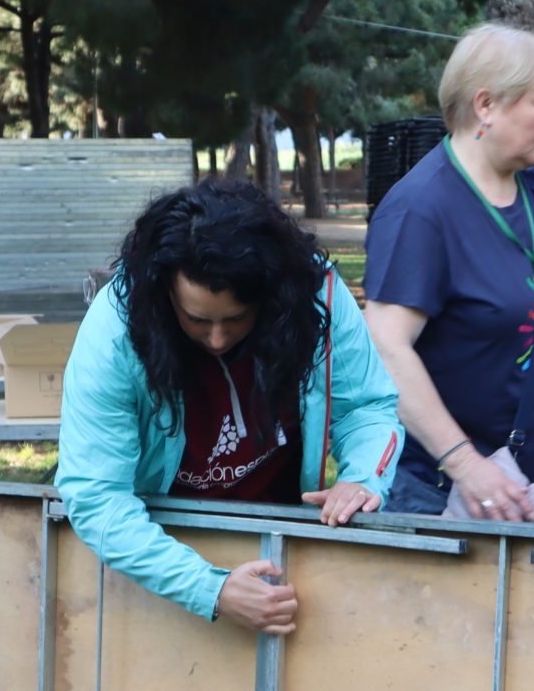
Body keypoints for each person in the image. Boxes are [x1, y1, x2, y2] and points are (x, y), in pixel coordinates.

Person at [57, 180, 402, 634]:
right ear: (165, 295)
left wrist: (361, 478)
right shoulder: (114, 331)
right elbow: (97, 495)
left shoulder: (315, 295)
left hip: (282, 536)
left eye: (237, 318)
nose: (218, 339)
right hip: (163, 551)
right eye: (197, 320)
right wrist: (210, 589)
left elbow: (365, 407)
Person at [364, 22, 534, 520]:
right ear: (486, 105)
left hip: (522, 480)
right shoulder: (421, 209)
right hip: (441, 493)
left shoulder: (530, 185)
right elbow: (385, 348)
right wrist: (465, 464)